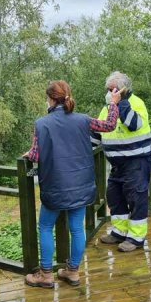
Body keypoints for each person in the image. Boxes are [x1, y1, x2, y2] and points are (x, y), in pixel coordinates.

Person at [23, 80, 122, 288]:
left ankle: (46, 274)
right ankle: (73, 272)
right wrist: (113, 103)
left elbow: (34, 154)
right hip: (81, 184)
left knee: (45, 227)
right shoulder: (83, 120)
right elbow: (109, 125)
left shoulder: (41, 123)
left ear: (50, 99)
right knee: (77, 228)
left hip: (55, 186)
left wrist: (28, 154)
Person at [92, 71, 151, 252]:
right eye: (108, 89)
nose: (110, 92)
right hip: (117, 164)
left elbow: (133, 124)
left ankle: (136, 238)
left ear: (124, 90)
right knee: (115, 197)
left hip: (137, 161)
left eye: (113, 89)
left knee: (136, 198)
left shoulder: (136, 103)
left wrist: (120, 103)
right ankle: (119, 232)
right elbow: (97, 132)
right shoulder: (107, 108)